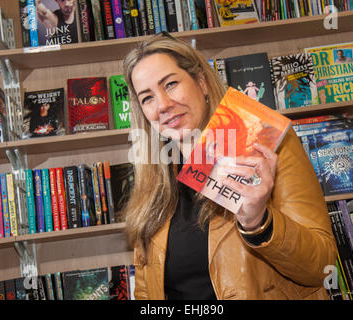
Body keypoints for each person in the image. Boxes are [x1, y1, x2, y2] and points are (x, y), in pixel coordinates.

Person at [122, 33, 337, 300]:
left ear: (201, 81)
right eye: (147, 98)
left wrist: (259, 222)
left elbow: (321, 268)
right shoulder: (152, 179)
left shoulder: (267, 145)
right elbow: (146, 290)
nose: (163, 105)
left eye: (171, 84)